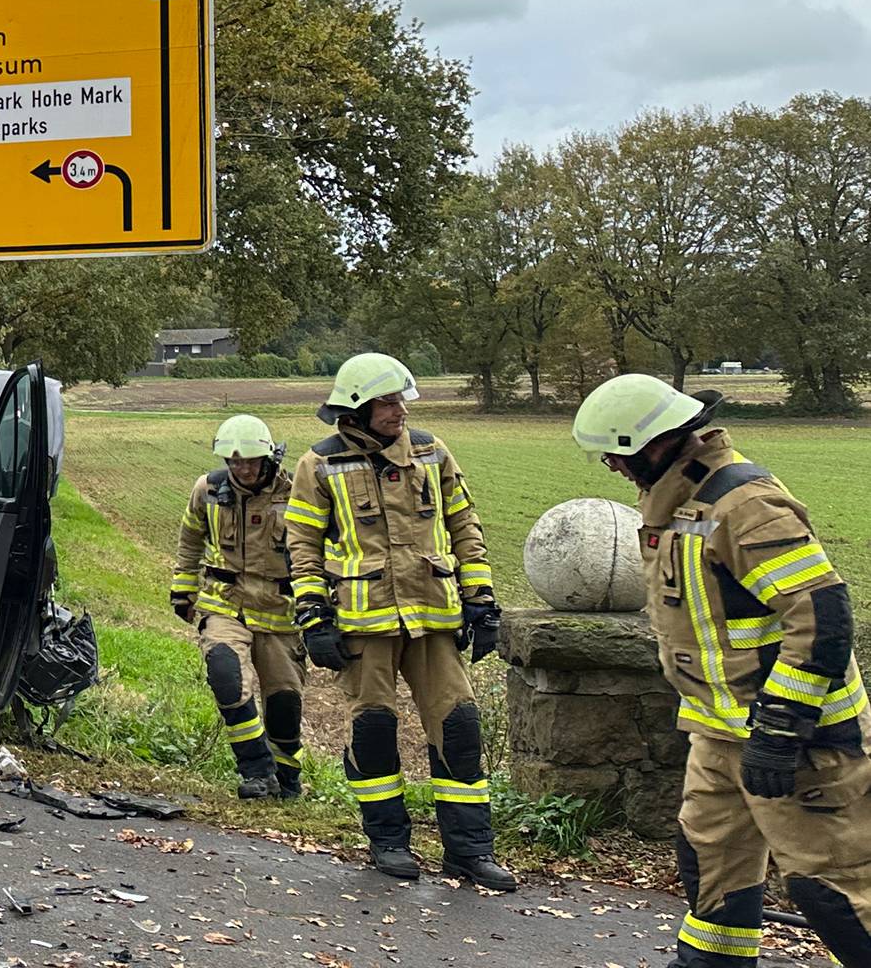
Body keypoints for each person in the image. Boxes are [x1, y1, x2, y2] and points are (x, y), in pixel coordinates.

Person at [573, 375, 871, 966]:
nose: (611, 466)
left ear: (655, 443)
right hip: (719, 731)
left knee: (836, 892)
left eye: (617, 452)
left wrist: (781, 728)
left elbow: (821, 616)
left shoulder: (745, 504)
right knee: (713, 876)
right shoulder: (679, 502)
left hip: (802, 743)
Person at [281, 353, 516, 890]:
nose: (399, 410)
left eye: (400, 400)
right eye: (386, 402)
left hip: (433, 616)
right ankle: (387, 841)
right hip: (365, 626)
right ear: (357, 409)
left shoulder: (433, 452)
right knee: (374, 730)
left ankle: (470, 851)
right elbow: (302, 546)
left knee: (458, 727)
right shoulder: (318, 464)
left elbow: (464, 523)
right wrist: (314, 615)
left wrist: (481, 598)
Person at [171, 413, 306, 800]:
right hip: (226, 603)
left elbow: (322, 547)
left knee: (284, 701)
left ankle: (287, 778)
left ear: (269, 458)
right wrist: (183, 588)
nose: (242, 470)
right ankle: (256, 768)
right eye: (234, 462)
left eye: (250, 461)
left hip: (282, 610)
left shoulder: (297, 491)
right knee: (226, 674)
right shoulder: (208, 490)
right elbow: (190, 539)